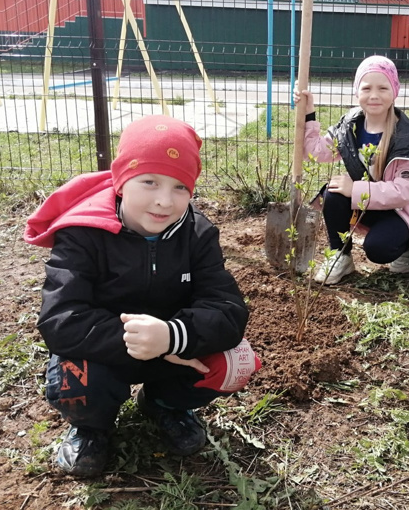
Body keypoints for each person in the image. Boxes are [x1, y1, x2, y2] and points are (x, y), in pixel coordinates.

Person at [24, 115, 259, 477]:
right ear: (122, 179)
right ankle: (91, 428)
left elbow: (228, 310)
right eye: (149, 181)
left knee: (235, 360)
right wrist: (140, 341)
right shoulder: (82, 233)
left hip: (172, 348)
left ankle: (163, 404)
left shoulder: (197, 234)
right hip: (103, 352)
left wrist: (171, 337)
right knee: (75, 381)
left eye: (180, 187)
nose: (164, 201)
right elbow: (60, 320)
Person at [295, 55, 409, 285]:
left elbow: (405, 191)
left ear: (394, 92)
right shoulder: (350, 126)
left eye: (383, 88)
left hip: (401, 213)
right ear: (357, 92)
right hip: (371, 204)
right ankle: (340, 256)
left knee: (378, 249)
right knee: (333, 193)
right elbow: (316, 152)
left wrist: (355, 189)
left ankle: (405, 249)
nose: (374, 95)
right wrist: (308, 113)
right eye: (366, 88)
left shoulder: (408, 137)